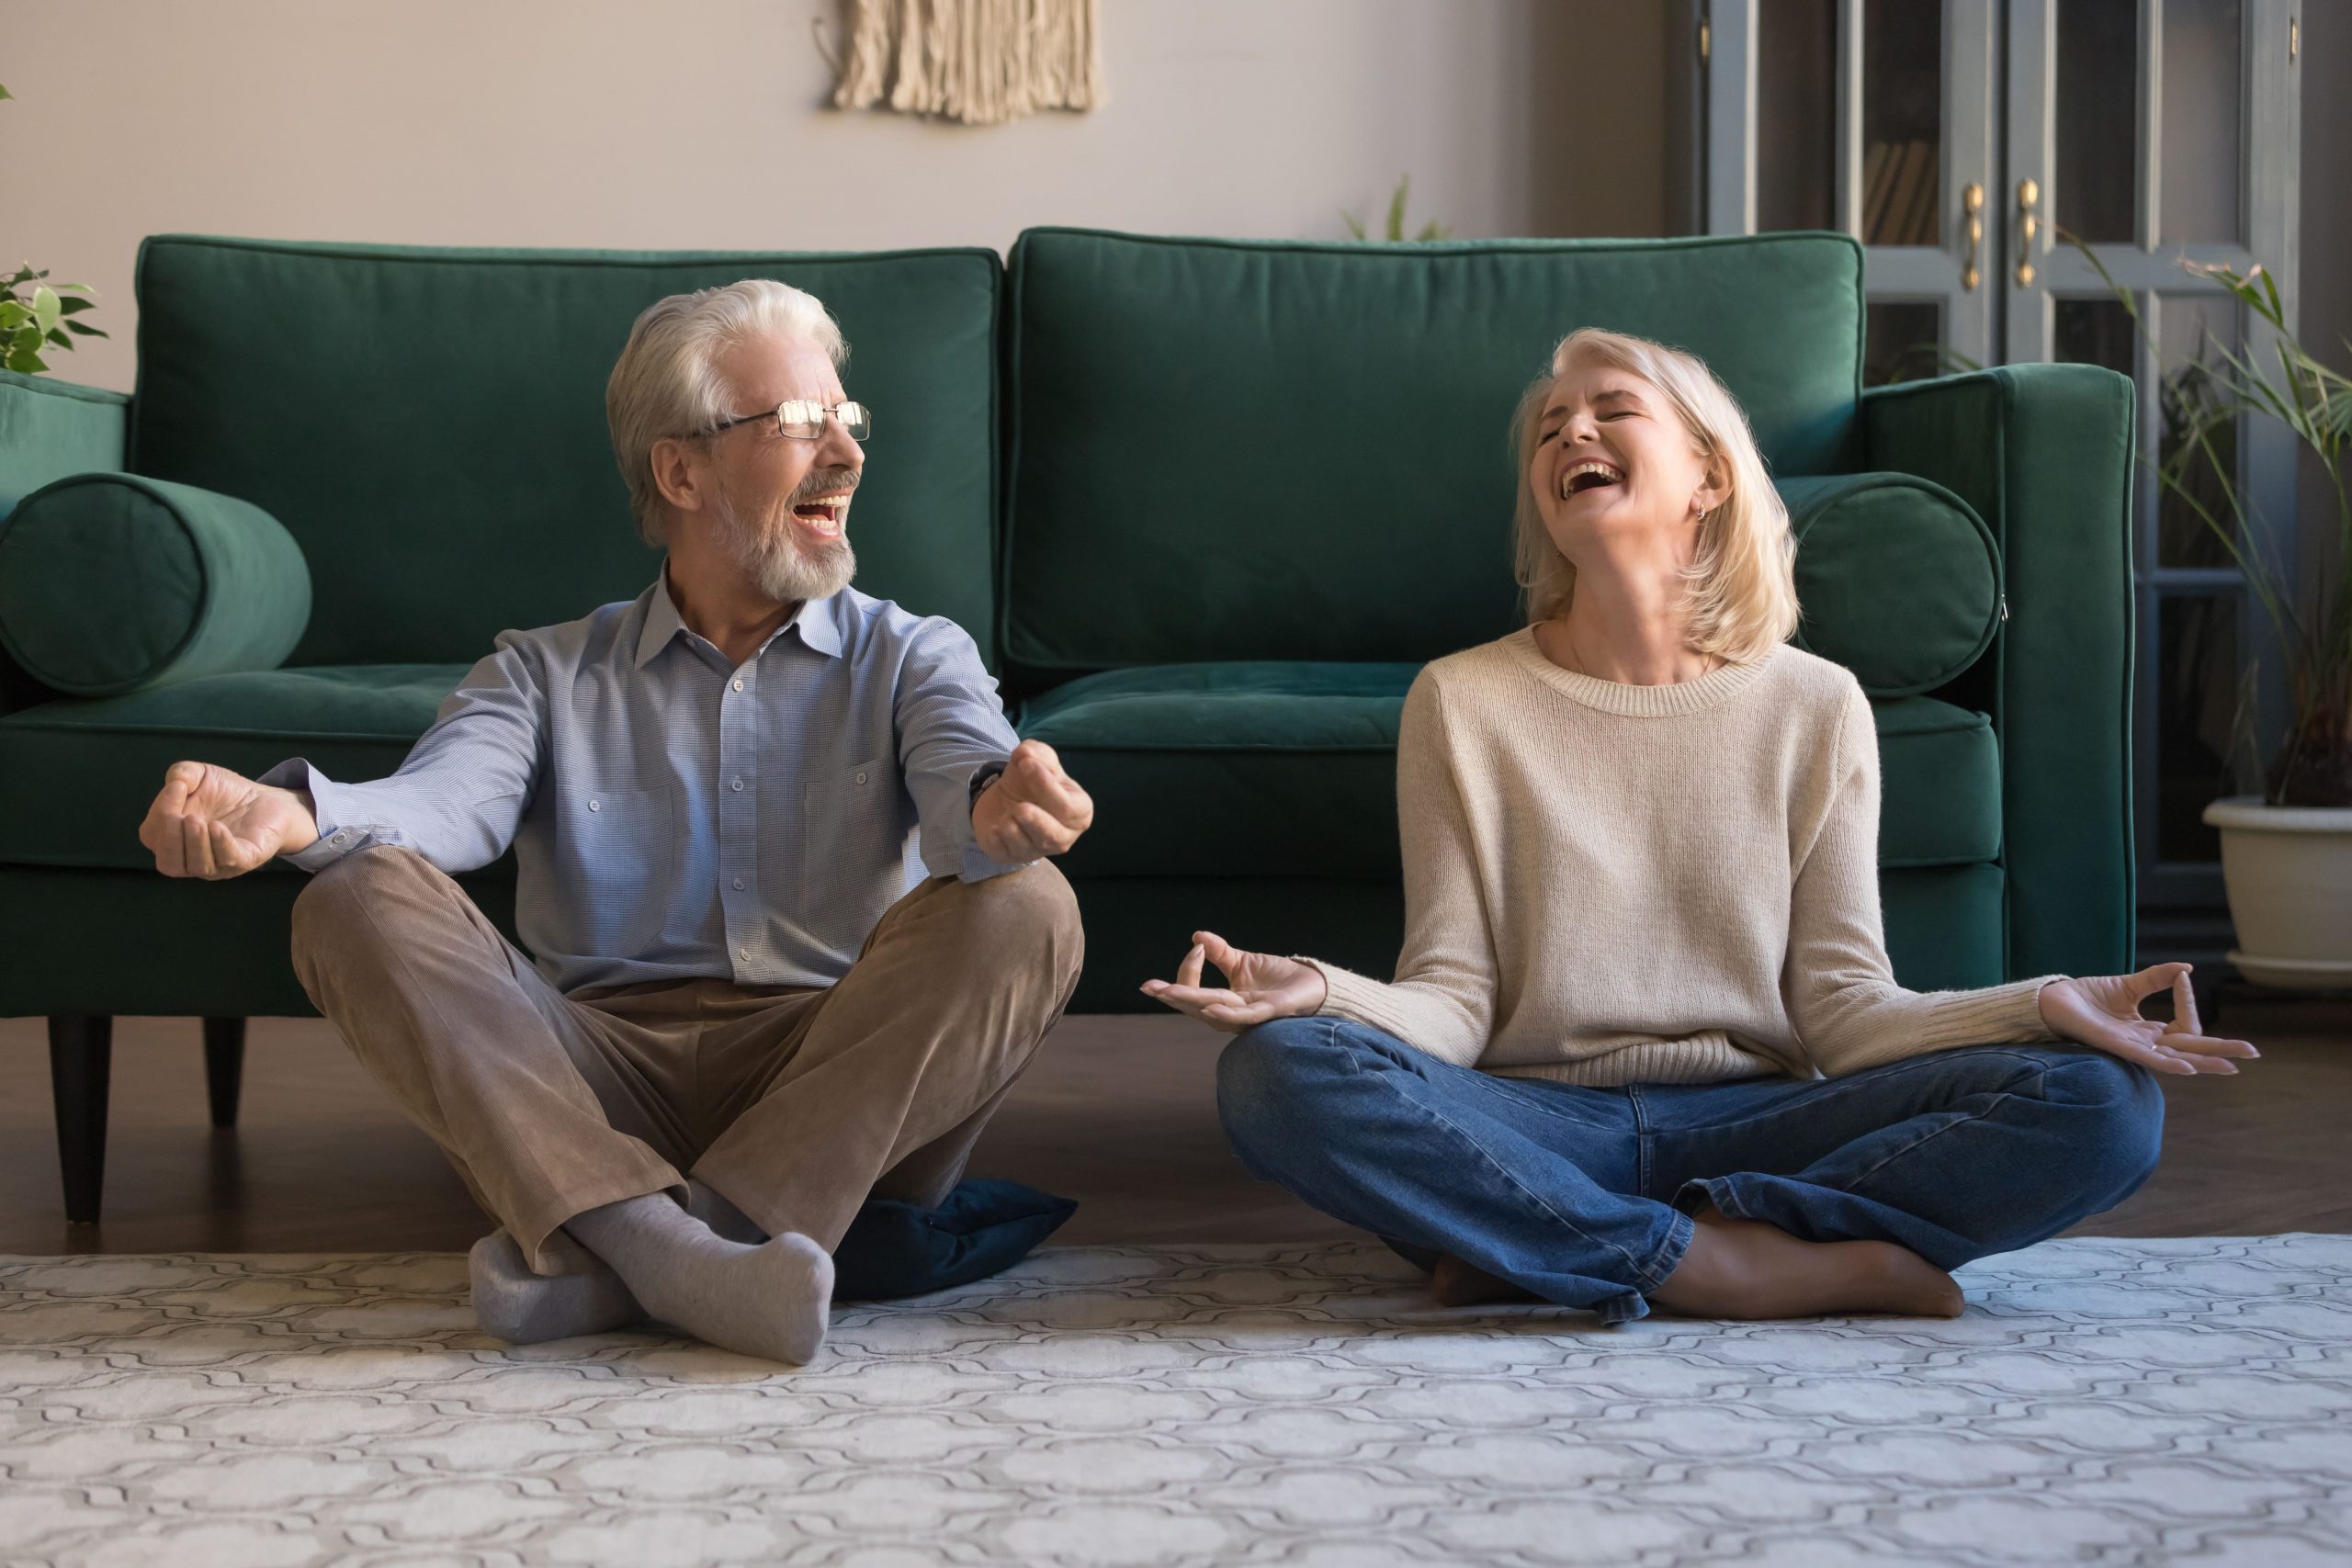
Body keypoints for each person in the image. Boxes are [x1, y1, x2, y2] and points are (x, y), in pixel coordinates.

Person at [1142, 326, 2256, 1325]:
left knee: (2104, 1102)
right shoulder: (1462, 698)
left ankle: (1542, 1246)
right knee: (1278, 1072)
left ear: (1709, 475)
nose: (1570, 428)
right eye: (1548, 428)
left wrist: (2040, 1006)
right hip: (1530, 1116)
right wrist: (1325, 993)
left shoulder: (1813, 704)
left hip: (1763, 1120)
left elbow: (1845, 1010)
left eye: (1611, 407)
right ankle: (1730, 1266)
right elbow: (1456, 996)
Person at [136, 279, 1091, 1364]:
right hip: (587, 1082)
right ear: (679, 470)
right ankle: (687, 1259)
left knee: (1028, 906)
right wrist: (294, 813)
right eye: (797, 424)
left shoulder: (915, 654)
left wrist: (998, 805)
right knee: (351, 893)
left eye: (846, 419)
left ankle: (626, 1256)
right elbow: (438, 807)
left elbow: (968, 773)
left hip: (831, 1084)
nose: (846, 453)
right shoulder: (538, 671)